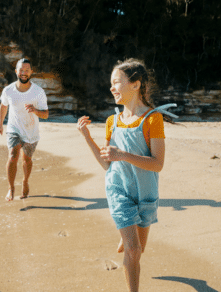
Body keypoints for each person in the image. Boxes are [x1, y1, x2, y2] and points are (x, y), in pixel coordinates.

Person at [76, 58, 177, 292]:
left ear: (135, 84)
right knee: (133, 250)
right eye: (111, 83)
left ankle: (127, 230)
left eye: (116, 82)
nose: (112, 88)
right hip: (119, 191)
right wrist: (87, 137)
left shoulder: (153, 119)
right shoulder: (112, 121)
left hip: (146, 194)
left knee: (139, 250)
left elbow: (158, 164)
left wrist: (122, 154)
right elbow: (106, 164)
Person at [0, 58, 49, 201]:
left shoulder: (38, 92)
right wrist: (0, 124)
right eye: (21, 70)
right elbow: (4, 105)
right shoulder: (8, 90)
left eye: (26, 70)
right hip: (14, 128)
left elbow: (45, 114)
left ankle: (25, 181)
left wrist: (35, 110)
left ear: (31, 72)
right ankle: (11, 188)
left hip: (31, 131)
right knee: (13, 155)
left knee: (27, 160)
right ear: (16, 71)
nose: (23, 73)